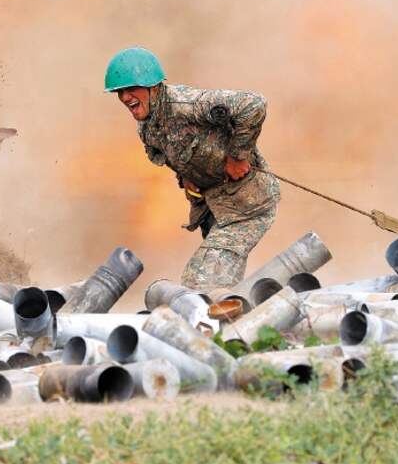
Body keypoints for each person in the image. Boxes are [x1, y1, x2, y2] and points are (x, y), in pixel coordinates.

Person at [105, 46, 280, 290]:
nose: (125, 98)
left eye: (131, 89)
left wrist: (238, 157)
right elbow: (173, 154)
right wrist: (186, 177)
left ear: (153, 87)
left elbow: (253, 105)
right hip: (215, 209)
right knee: (220, 286)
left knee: (202, 281)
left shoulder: (187, 105)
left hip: (247, 205)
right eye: (119, 92)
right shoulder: (148, 127)